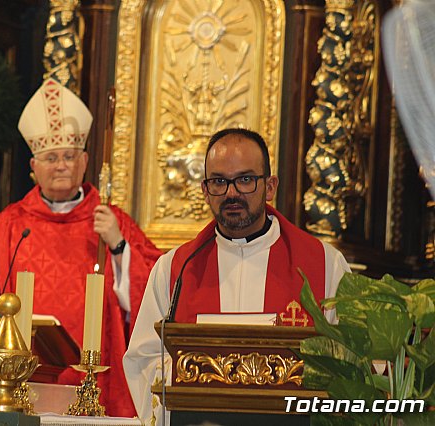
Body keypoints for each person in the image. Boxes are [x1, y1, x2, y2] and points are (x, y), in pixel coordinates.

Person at [0, 78, 162, 417]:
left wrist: (118, 246)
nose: (61, 165)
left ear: (84, 162)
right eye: (51, 157)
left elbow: (154, 298)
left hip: (97, 379)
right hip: (21, 382)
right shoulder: (8, 227)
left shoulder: (112, 222)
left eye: (69, 156)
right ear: (33, 168)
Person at [123, 128, 351, 424]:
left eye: (245, 179)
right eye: (219, 181)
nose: (231, 193)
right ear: (205, 190)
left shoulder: (324, 264)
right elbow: (144, 358)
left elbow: (351, 361)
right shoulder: (174, 269)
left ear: (269, 187)